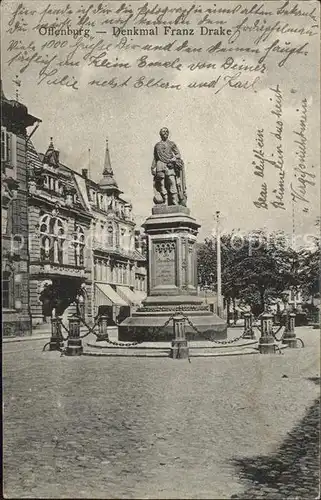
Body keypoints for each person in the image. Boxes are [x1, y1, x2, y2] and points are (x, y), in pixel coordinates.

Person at [151, 128, 187, 206]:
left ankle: (174, 200)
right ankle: (165, 200)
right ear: (160, 133)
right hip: (160, 164)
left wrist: (173, 159)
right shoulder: (157, 145)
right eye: (163, 131)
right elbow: (155, 157)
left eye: (167, 131)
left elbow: (178, 154)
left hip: (169, 164)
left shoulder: (171, 144)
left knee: (172, 182)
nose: (165, 132)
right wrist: (152, 167)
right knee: (161, 184)